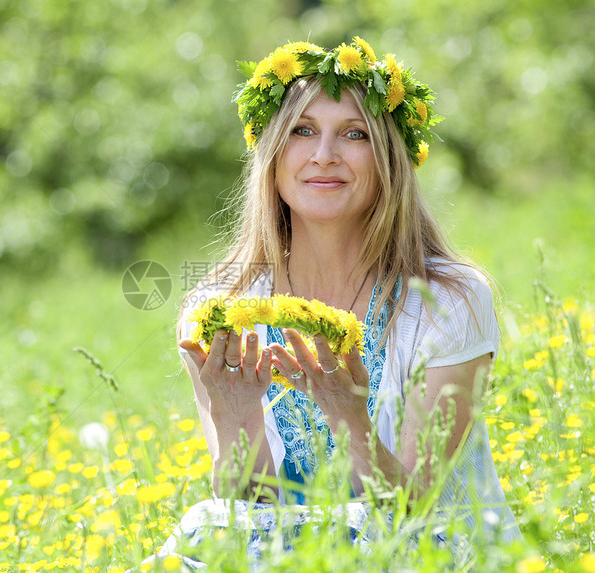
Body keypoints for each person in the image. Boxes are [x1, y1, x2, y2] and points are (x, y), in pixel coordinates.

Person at [142, 38, 521, 569]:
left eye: (353, 134)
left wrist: (350, 418)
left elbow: (414, 511)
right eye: (302, 131)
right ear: (272, 156)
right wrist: (233, 416)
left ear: (388, 159)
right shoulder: (219, 309)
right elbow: (253, 518)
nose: (324, 155)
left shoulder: (448, 300)